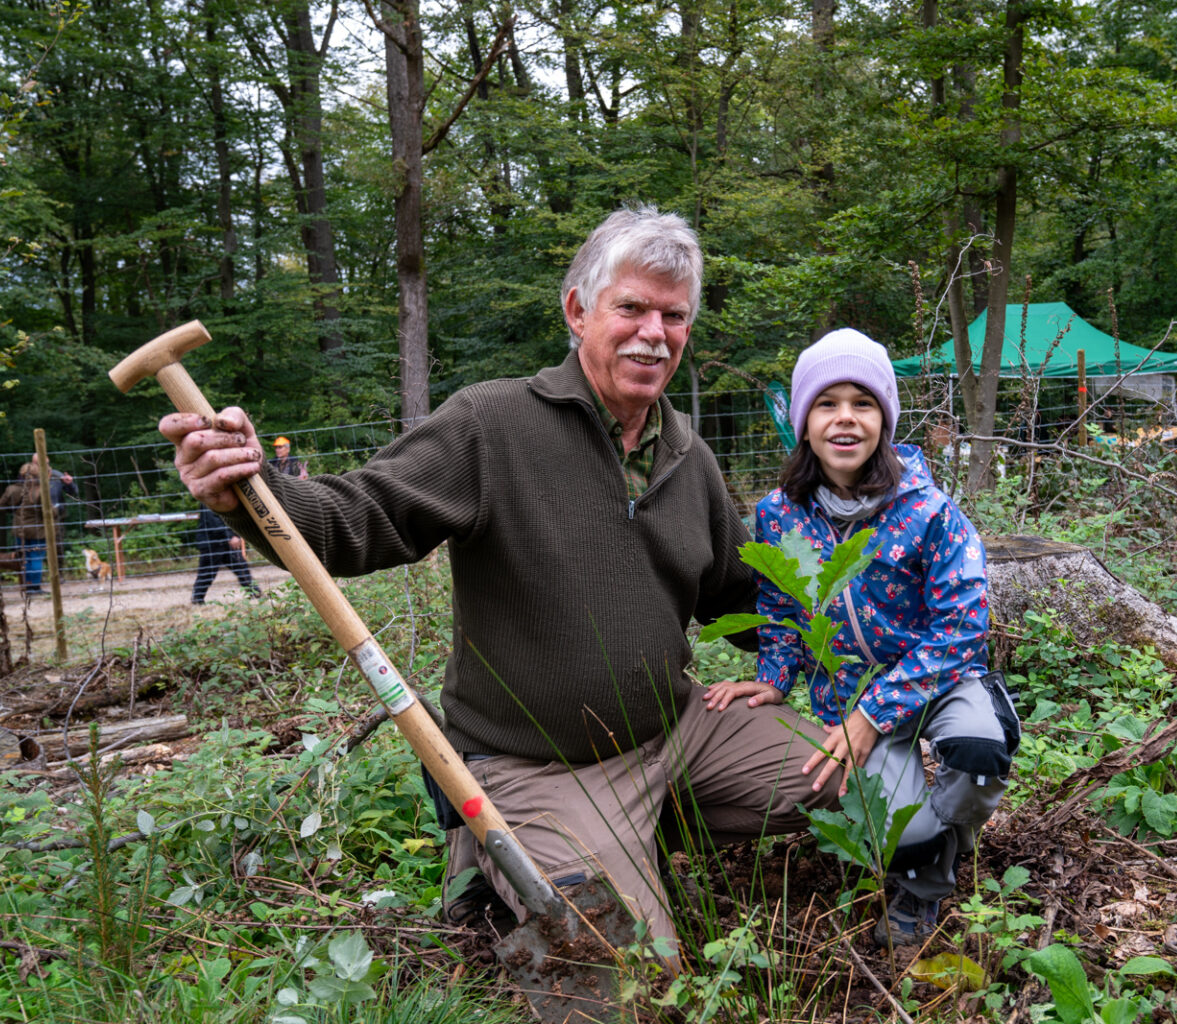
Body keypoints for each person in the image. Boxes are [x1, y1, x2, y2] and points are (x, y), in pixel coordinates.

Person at [156, 206, 840, 955]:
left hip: (680, 736)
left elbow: (746, 597)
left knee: (865, 787)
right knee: (622, 963)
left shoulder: (687, 456)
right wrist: (254, 492)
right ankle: (506, 853)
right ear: (578, 312)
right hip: (535, 768)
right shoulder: (494, 423)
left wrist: (843, 636)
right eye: (632, 308)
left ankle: (634, 836)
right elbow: (363, 515)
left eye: (673, 316)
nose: (654, 333)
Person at [703, 329, 1021, 944]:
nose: (845, 418)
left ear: (885, 419)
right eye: (827, 403)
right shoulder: (777, 515)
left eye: (863, 403)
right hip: (847, 691)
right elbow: (781, 603)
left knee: (979, 753)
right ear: (803, 420)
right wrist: (775, 678)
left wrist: (873, 716)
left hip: (939, 680)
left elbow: (962, 624)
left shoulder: (929, 511)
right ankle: (923, 869)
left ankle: (940, 859)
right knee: (906, 829)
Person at [190, 507, 260, 605]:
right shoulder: (209, 501)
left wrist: (233, 535)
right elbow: (213, 520)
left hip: (225, 541)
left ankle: (255, 593)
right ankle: (197, 599)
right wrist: (230, 536)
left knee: (241, 566)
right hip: (212, 542)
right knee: (207, 572)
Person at [0, 462, 46, 594]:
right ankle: (35, 587)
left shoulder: (12, 489)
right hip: (37, 530)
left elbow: (0, 505)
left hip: (20, 530)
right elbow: (49, 511)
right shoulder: (40, 490)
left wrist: (13, 510)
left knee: (24, 558)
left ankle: (27, 585)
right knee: (36, 557)